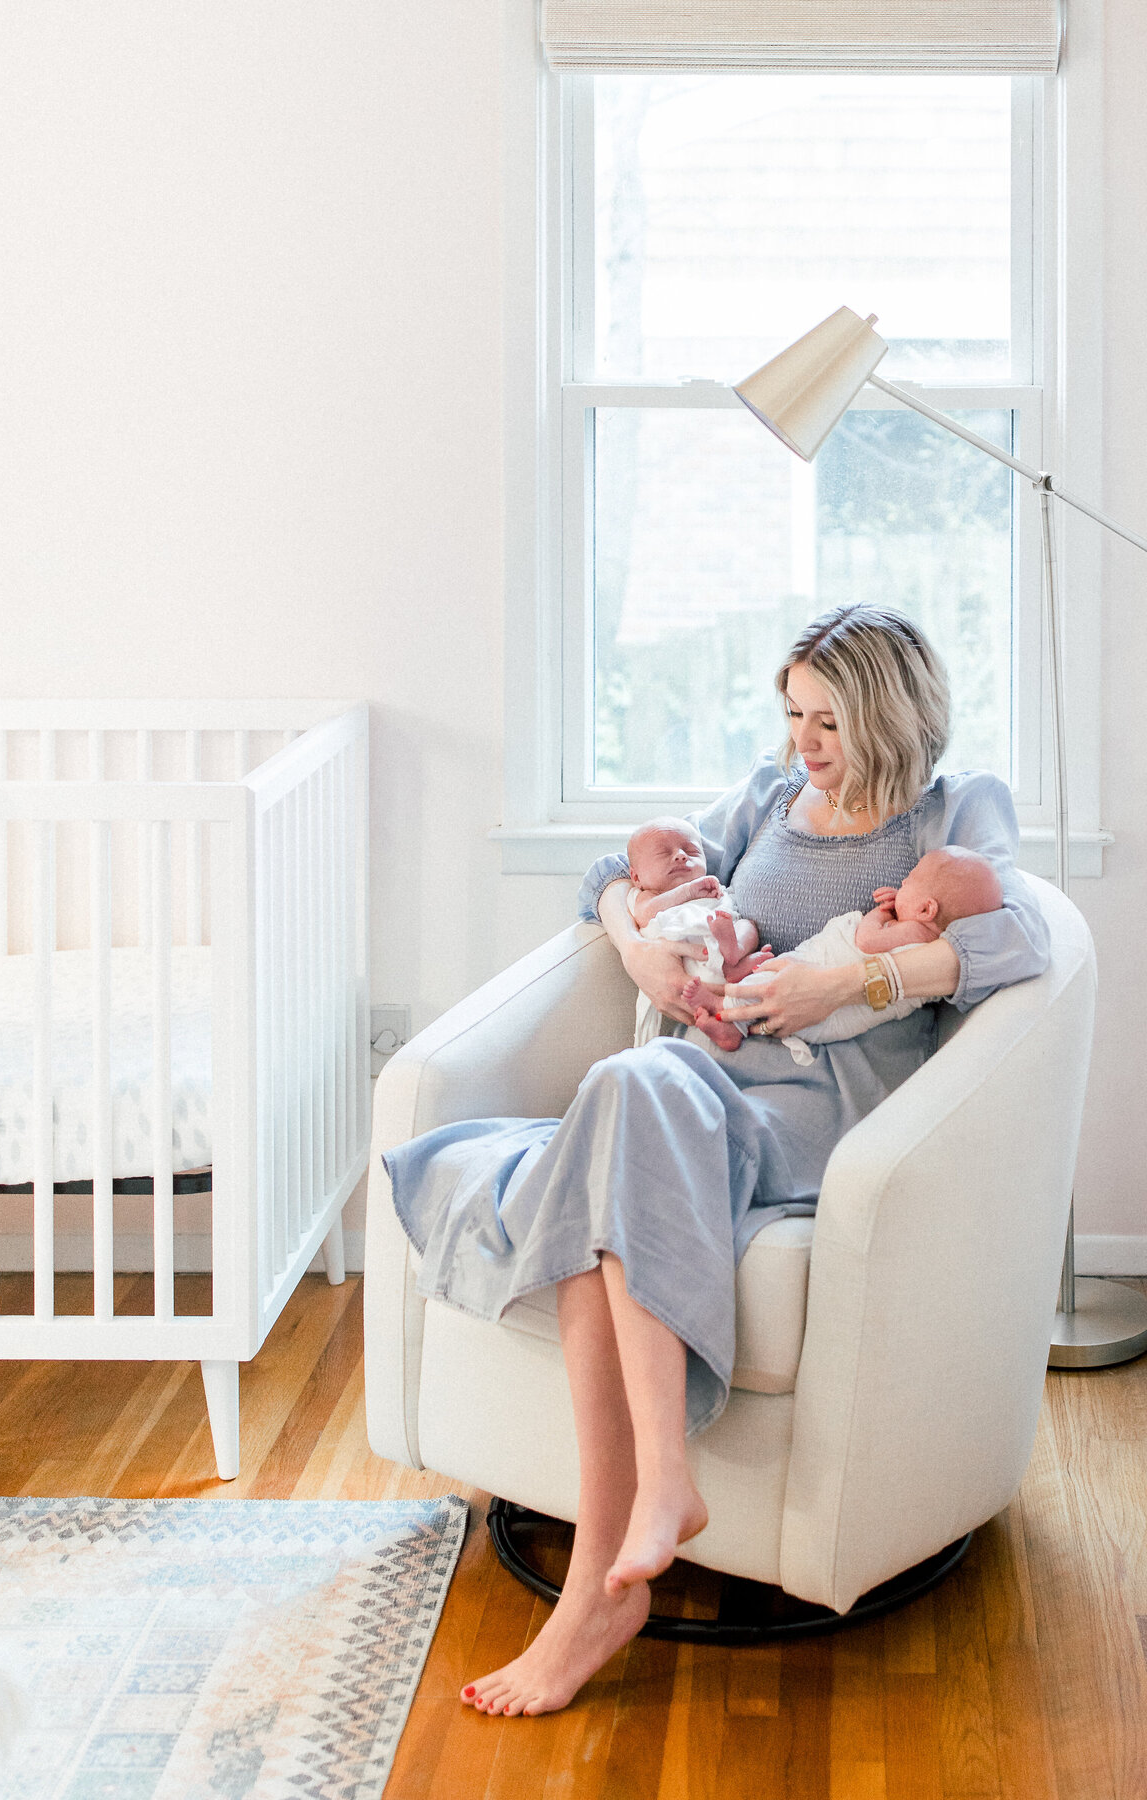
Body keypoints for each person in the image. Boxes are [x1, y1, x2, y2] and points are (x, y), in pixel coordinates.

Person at [382, 604, 1049, 1719]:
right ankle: (652, 1505)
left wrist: (847, 982)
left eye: (828, 719)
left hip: (823, 1108)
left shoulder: (954, 807)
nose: (805, 743)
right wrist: (644, 953)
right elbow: (614, 867)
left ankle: (601, 1577)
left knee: (621, 1114)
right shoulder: (771, 796)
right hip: (702, 1082)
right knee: (628, 1092)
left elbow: (1018, 938)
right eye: (793, 714)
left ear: (889, 708)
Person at [682, 845, 1004, 1057]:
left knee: (767, 987)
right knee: (771, 973)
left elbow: (867, 942)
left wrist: (879, 914)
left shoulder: (916, 934)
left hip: (820, 1007)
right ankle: (734, 983)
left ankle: (723, 1012)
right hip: (820, 1010)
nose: (902, 884)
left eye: (909, 883)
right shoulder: (921, 933)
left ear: (926, 909)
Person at [624, 815, 768, 1046]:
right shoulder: (647, 896)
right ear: (636, 877)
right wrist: (689, 891)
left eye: (691, 851)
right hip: (691, 968)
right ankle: (723, 1026)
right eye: (663, 854)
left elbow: (731, 906)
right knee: (716, 997)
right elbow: (644, 915)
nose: (681, 855)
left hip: (723, 949)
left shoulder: (714, 887)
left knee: (747, 925)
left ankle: (734, 954)